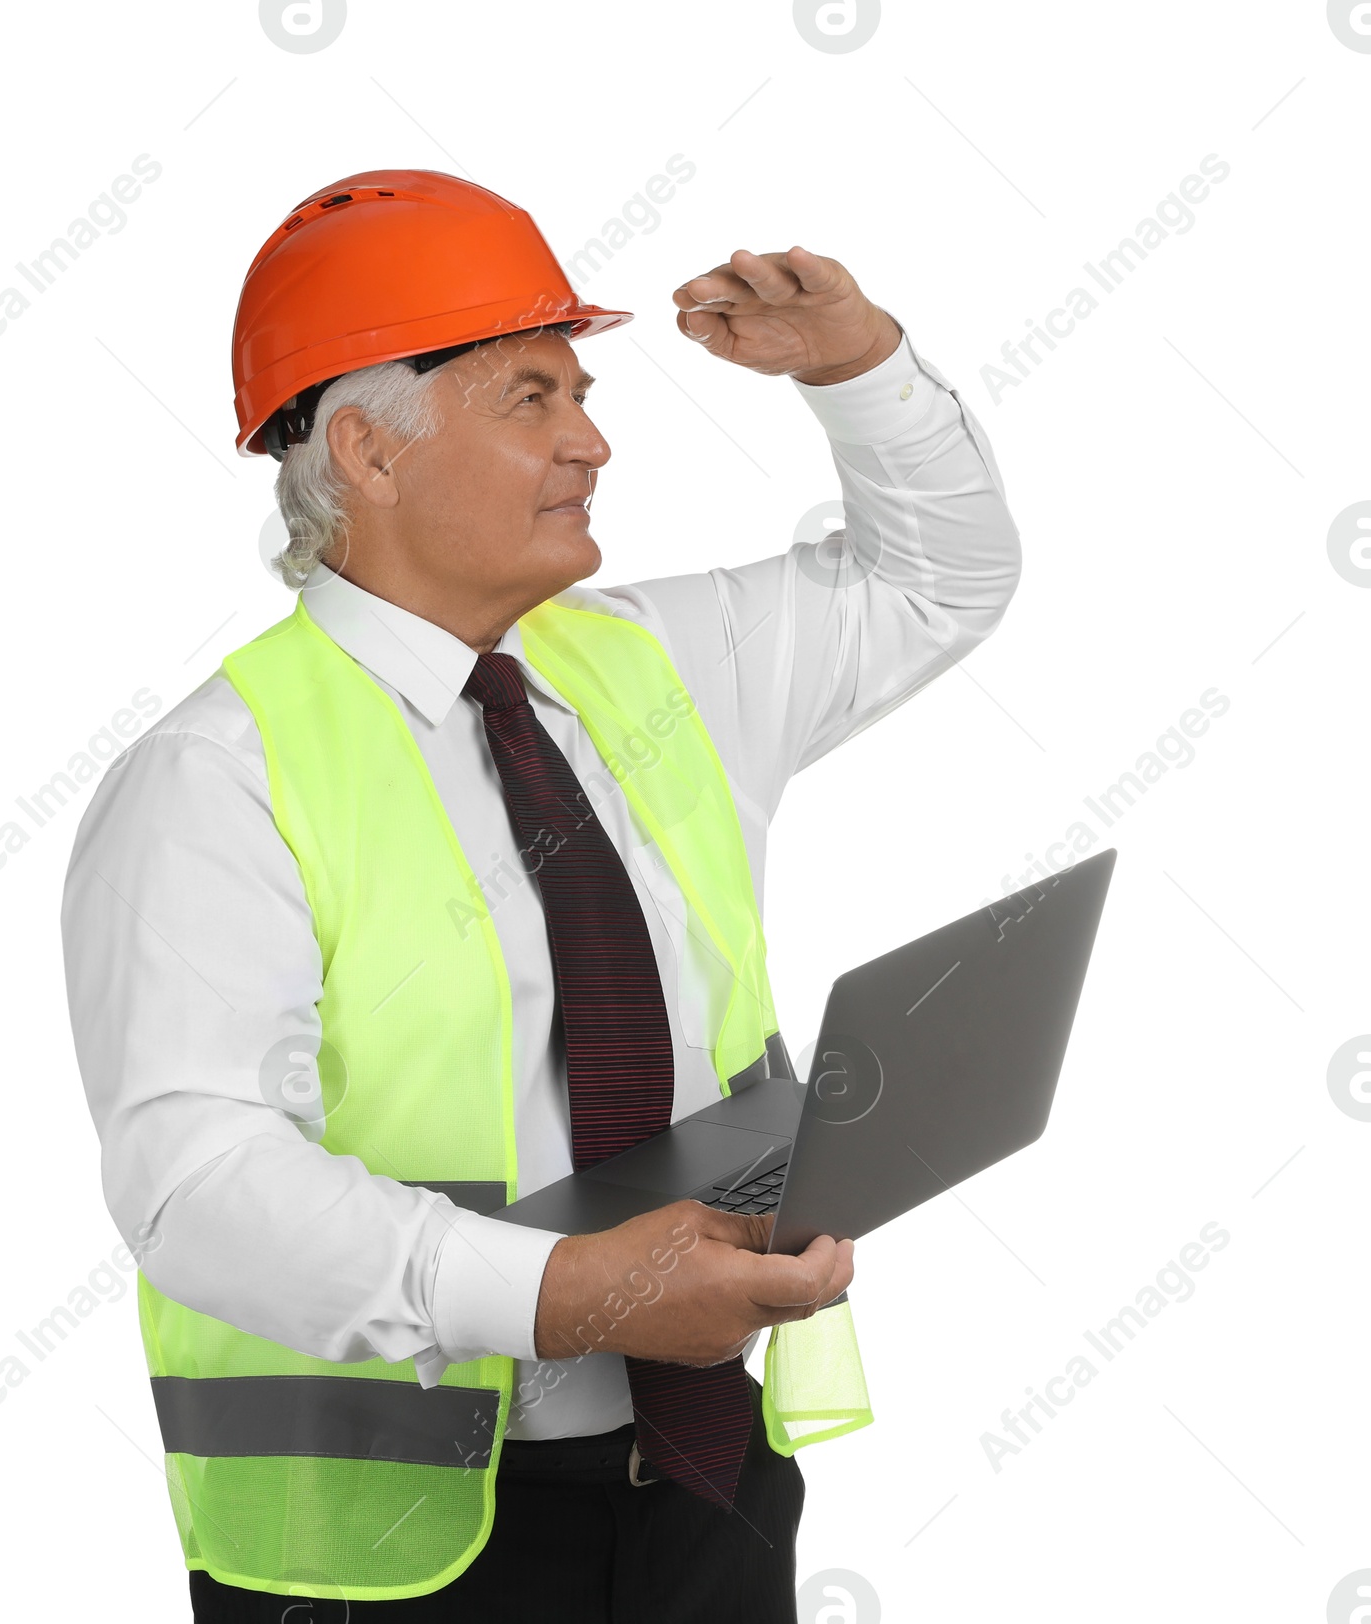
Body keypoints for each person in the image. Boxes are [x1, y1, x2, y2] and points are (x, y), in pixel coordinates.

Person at [61, 168, 1021, 1622]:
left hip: (701, 1474)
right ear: (370, 451)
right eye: (532, 397)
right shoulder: (218, 778)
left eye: (578, 390)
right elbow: (199, 1189)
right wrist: (563, 1296)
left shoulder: (655, 668)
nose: (594, 439)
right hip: (389, 1541)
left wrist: (859, 367)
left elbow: (942, 579)